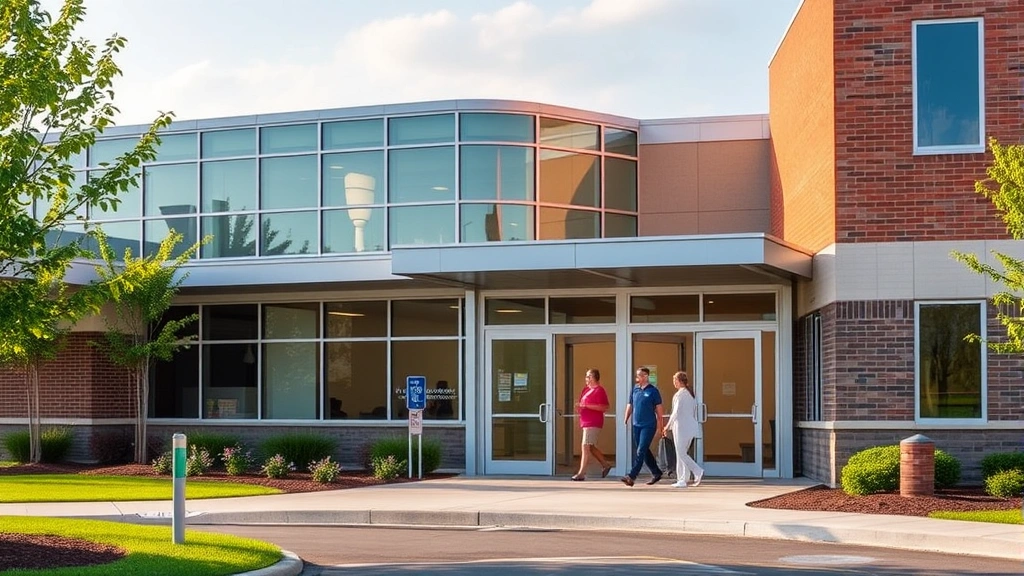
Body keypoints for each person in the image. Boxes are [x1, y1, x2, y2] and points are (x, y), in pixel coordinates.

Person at [621, 367, 664, 486]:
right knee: (643, 451)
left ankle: (631, 476)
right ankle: (656, 472)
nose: (637, 378)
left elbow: (659, 410)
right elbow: (630, 404)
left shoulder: (653, 391)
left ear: (645, 376)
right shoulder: (635, 389)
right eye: (637, 375)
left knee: (641, 450)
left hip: (648, 425)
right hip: (636, 425)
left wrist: (661, 426)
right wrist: (626, 417)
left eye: (639, 376)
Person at [663, 371, 704, 488]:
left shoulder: (681, 395)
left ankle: (697, 471)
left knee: (681, 453)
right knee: (682, 453)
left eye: (675, 380)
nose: (674, 383)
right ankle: (683, 479)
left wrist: (667, 426)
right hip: (687, 427)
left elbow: (675, 413)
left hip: (682, 427)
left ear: (680, 381)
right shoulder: (689, 394)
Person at [570, 368, 612, 481]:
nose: (586, 379)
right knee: (591, 446)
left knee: (585, 446)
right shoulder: (585, 390)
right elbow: (583, 404)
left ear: (593, 378)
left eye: (588, 376)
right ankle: (605, 464)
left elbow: (604, 407)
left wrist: (587, 406)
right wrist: (579, 407)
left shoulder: (599, 390)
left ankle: (581, 473)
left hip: (593, 422)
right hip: (585, 421)